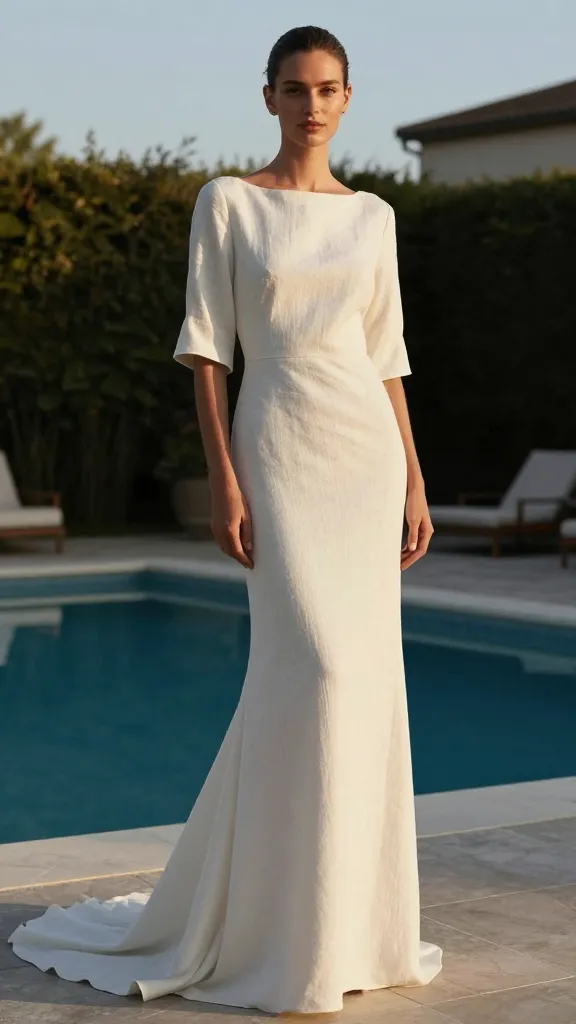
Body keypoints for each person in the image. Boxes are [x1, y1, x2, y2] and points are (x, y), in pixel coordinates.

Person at [8, 24, 442, 1017]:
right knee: (317, 668)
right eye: (294, 89)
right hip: (280, 448)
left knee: (356, 682)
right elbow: (207, 350)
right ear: (269, 98)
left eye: (329, 89)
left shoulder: (373, 216)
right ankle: (273, 927)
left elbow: (388, 358)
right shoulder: (230, 204)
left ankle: (340, 924)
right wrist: (226, 474)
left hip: (366, 458)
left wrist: (415, 478)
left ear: (347, 96)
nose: (312, 105)